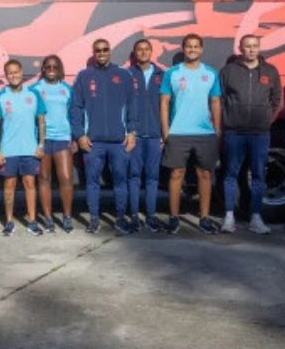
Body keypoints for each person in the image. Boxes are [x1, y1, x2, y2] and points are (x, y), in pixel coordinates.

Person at [69, 39, 138, 234]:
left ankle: (121, 218)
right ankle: (93, 219)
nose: (101, 53)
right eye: (97, 50)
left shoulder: (123, 75)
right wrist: (80, 135)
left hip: (119, 141)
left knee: (120, 181)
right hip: (93, 142)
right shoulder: (84, 76)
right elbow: (76, 108)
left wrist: (132, 133)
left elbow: (133, 106)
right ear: (94, 52)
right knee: (92, 182)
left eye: (105, 49)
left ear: (110, 51)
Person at [218, 35, 281, 234]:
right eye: (247, 46)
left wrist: (265, 122)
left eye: (255, 46)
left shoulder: (270, 71)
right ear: (241, 48)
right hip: (234, 132)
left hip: (259, 134)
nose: (251, 50)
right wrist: (223, 126)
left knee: (258, 176)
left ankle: (256, 218)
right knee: (230, 175)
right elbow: (219, 100)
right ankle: (228, 218)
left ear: (259, 48)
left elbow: (277, 101)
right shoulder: (228, 71)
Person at [160, 34, 221, 234]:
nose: (192, 50)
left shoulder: (211, 73)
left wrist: (217, 130)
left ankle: (204, 218)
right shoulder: (172, 73)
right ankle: (173, 218)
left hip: (205, 133)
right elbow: (164, 103)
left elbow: (215, 103)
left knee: (204, 174)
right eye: (188, 46)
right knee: (177, 174)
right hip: (178, 132)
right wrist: (166, 132)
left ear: (201, 49)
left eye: (196, 46)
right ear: (183, 49)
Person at [0, 59, 47, 236]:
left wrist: (41, 145)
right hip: (8, 150)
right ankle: (9, 221)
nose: (13, 75)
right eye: (10, 73)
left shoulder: (34, 94)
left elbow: (41, 121)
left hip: (30, 149)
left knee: (30, 184)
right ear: (6, 76)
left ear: (22, 72)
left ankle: (32, 221)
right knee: (9, 186)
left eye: (16, 72)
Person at [127, 39, 166, 233]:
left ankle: (150, 216)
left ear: (152, 52)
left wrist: (163, 133)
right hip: (135, 135)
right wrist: (128, 131)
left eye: (146, 49)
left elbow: (168, 106)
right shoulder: (127, 75)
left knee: (152, 177)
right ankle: (134, 215)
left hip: (154, 135)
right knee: (134, 176)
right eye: (139, 49)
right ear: (135, 53)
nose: (143, 52)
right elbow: (123, 105)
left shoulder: (162, 75)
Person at [35, 55, 76, 233]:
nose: (51, 69)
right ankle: (48, 217)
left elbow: (76, 114)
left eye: (54, 66)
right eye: (48, 67)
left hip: (62, 138)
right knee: (44, 179)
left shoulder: (67, 89)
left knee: (66, 178)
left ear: (60, 69)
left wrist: (75, 137)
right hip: (43, 140)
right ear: (43, 69)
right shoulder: (35, 89)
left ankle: (67, 216)